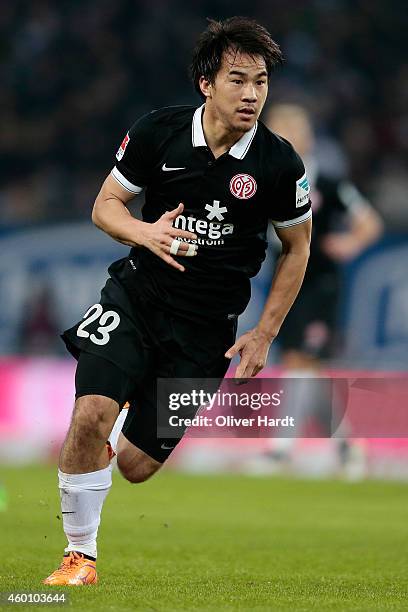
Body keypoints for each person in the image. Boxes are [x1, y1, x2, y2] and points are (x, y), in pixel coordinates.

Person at [43, 17, 312, 586]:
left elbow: (297, 247)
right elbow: (106, 205)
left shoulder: (279, 163)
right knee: (89, 411)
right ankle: (79, 557)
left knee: (137, 467)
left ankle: (103, 445)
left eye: (261, 82)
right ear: (205, 84)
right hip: (136, 298)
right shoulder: (156, 133)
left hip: (205, 329)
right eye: (238, 80)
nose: (252, 94)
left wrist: (264, 332)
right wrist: (143, 233)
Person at [264, 103, 383, 467]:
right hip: (282, 279)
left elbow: (369, 222)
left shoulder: (329, 184)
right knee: (301, 363)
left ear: (308, 137)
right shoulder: (263, 179)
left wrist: (349, 243)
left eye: (293, 129)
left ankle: (281, 448)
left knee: (300, 358)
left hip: (319, 283)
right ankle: (346, 442)